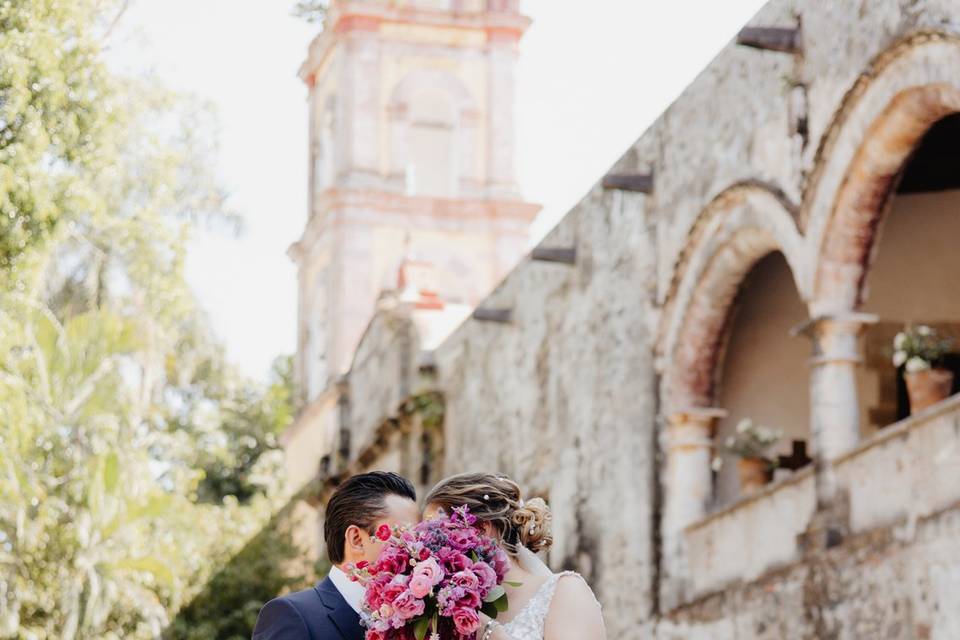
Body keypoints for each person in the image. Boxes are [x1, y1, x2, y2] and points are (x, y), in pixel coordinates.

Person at [423, 472, 606, 640]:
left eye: (438, 536)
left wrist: (489, 632)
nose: (430, 552)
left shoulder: (564, 592)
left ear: (481, 529)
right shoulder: (452, 617)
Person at [252, 471, 419, 640]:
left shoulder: (415, 622)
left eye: (417, 541)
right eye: (402, 538)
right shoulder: (290, 616)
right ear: (356, 540)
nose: (416, 552)